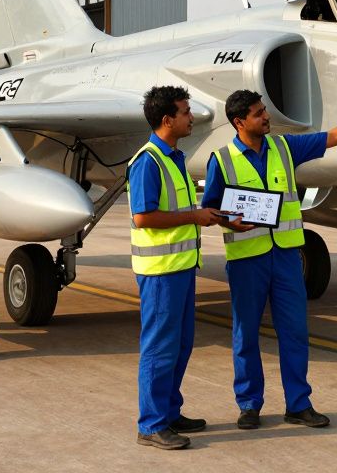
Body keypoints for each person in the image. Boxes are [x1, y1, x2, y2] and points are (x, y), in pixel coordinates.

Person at [203, 89, 337, 430]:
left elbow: (332, 138)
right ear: (239, 122)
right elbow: (210, 208)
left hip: (286, 258)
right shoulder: (221, 160)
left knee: (294, 332)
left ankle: (298, 404)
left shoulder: (284, 147)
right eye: (258, 113)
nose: (267, 116)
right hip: (247, 260)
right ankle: (249, 405)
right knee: (245, 335)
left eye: (264, 110)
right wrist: (229, 220)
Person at [127, 85, 227, 450]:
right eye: (185, 112)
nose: (191, 117)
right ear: (167, 120)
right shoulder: (148, 161)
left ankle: (169, 412)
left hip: (181, 267)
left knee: (181, 345)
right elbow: (143, 217)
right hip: (160, 271)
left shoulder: (175, 158)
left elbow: (178, 212)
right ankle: (151, 424)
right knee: (160, 348)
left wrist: (204, 215)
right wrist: (194, 217)